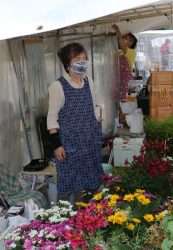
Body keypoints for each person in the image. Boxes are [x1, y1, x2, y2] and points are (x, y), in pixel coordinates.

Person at [47, 42, 104, 205]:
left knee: (92, 184)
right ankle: (68, 220)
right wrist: (57, 145)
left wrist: (97, 135)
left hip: (89, 142)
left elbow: (93, 111)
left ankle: (90, 218)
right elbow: (51, 118)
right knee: (70, 186)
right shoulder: (57, 86)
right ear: (67, 64)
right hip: (70, 145)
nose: (82, 62)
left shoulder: (89, 82)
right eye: (78, 59)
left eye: (84, 58)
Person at [112, 24, 138, 101]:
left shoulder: (132, 52)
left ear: (131, 44)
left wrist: (118, 30)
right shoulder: (119, 51)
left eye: (128, 39)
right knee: (117, 99)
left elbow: (122, 45)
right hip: (118, 78)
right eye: (125, 37)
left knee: (124, 99)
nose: (125, 40)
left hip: (125, 80)